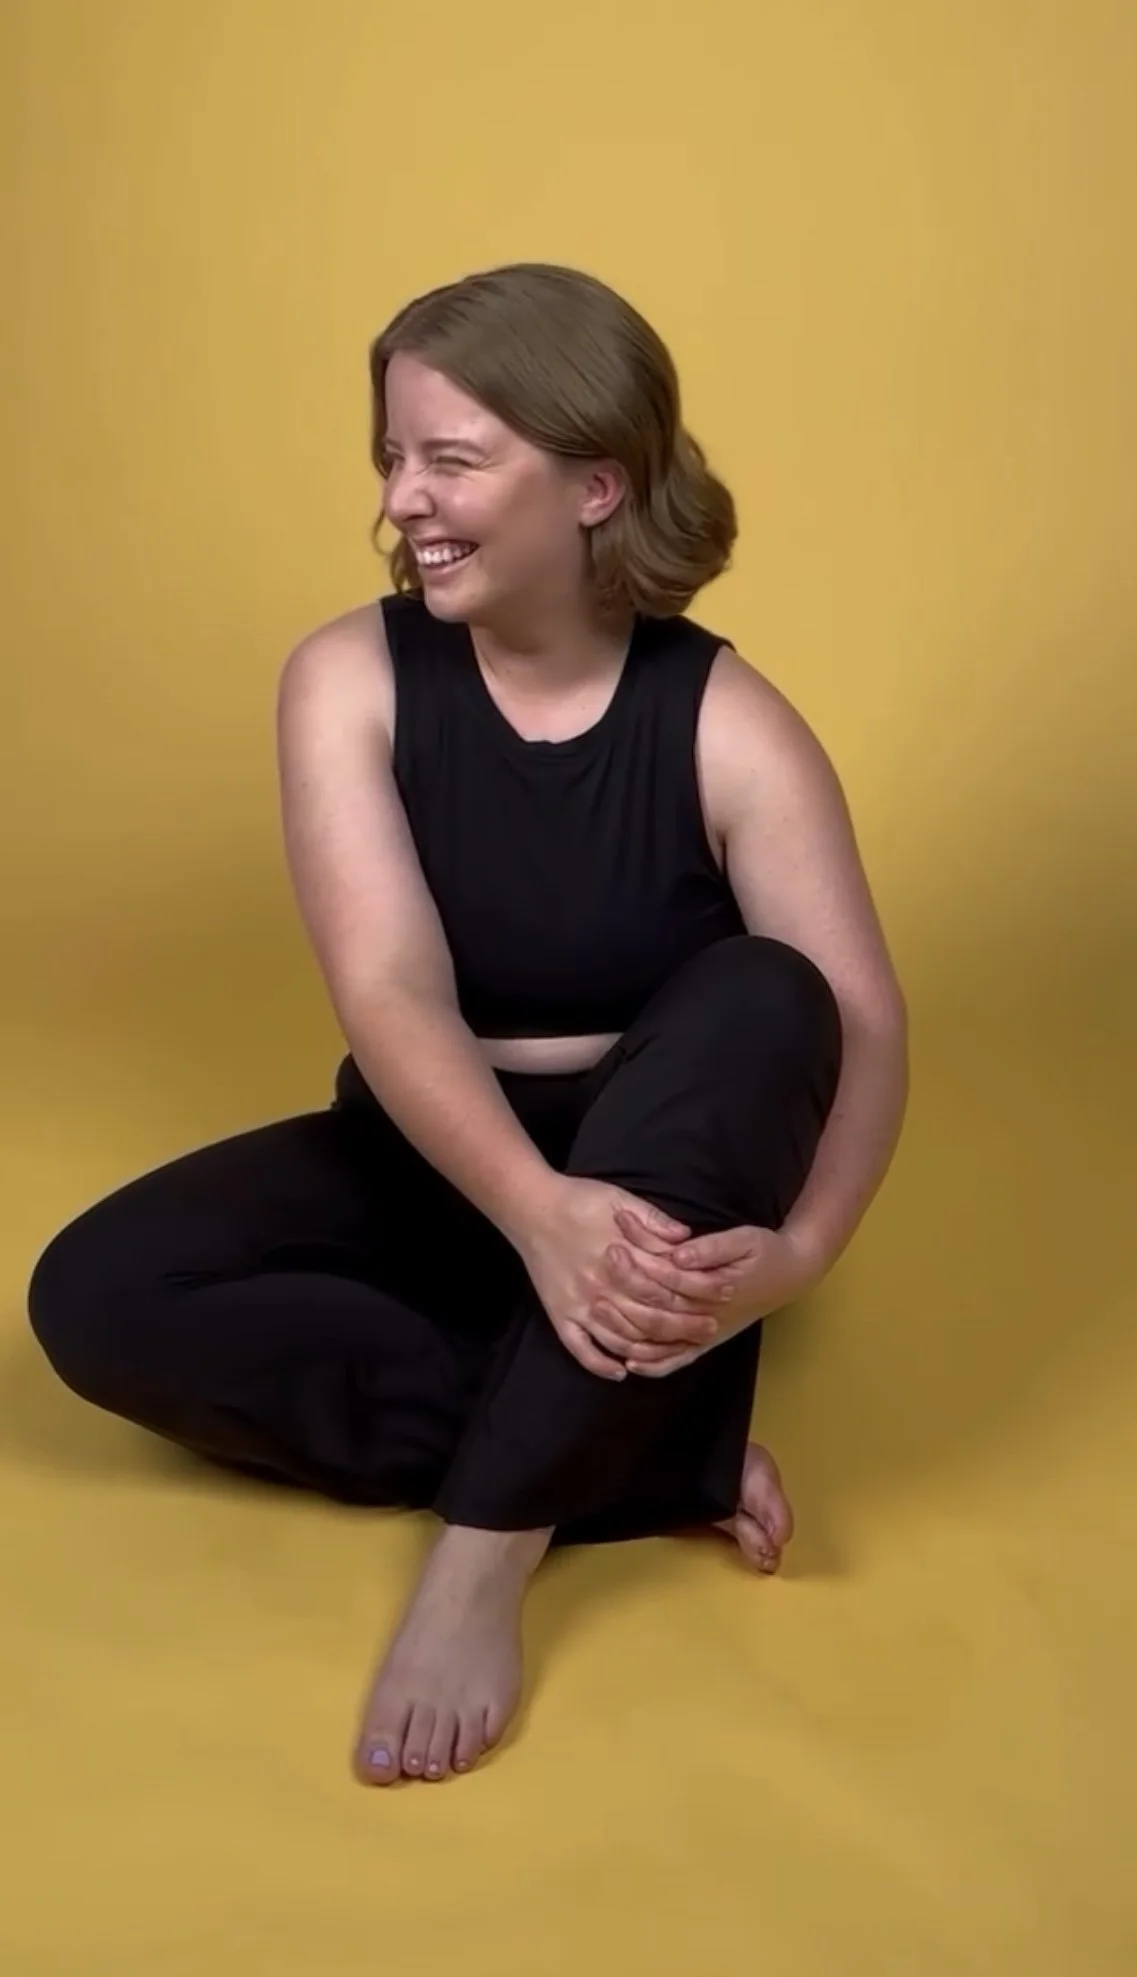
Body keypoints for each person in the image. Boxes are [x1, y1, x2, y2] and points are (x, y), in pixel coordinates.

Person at [26, 262, 909, 1786]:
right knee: (94, 1293)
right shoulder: (346, 680)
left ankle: (483, 1555)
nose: (401, 503)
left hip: (656, 1176)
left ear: (590, 483)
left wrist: (806, 1251)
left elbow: (867, 1030)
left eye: (449, 458)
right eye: (389, 456)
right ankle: (647, 1455)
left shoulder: (726, 719)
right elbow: (389, 995)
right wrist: (532, 1211)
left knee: (772, 990)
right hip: (446, 1151)